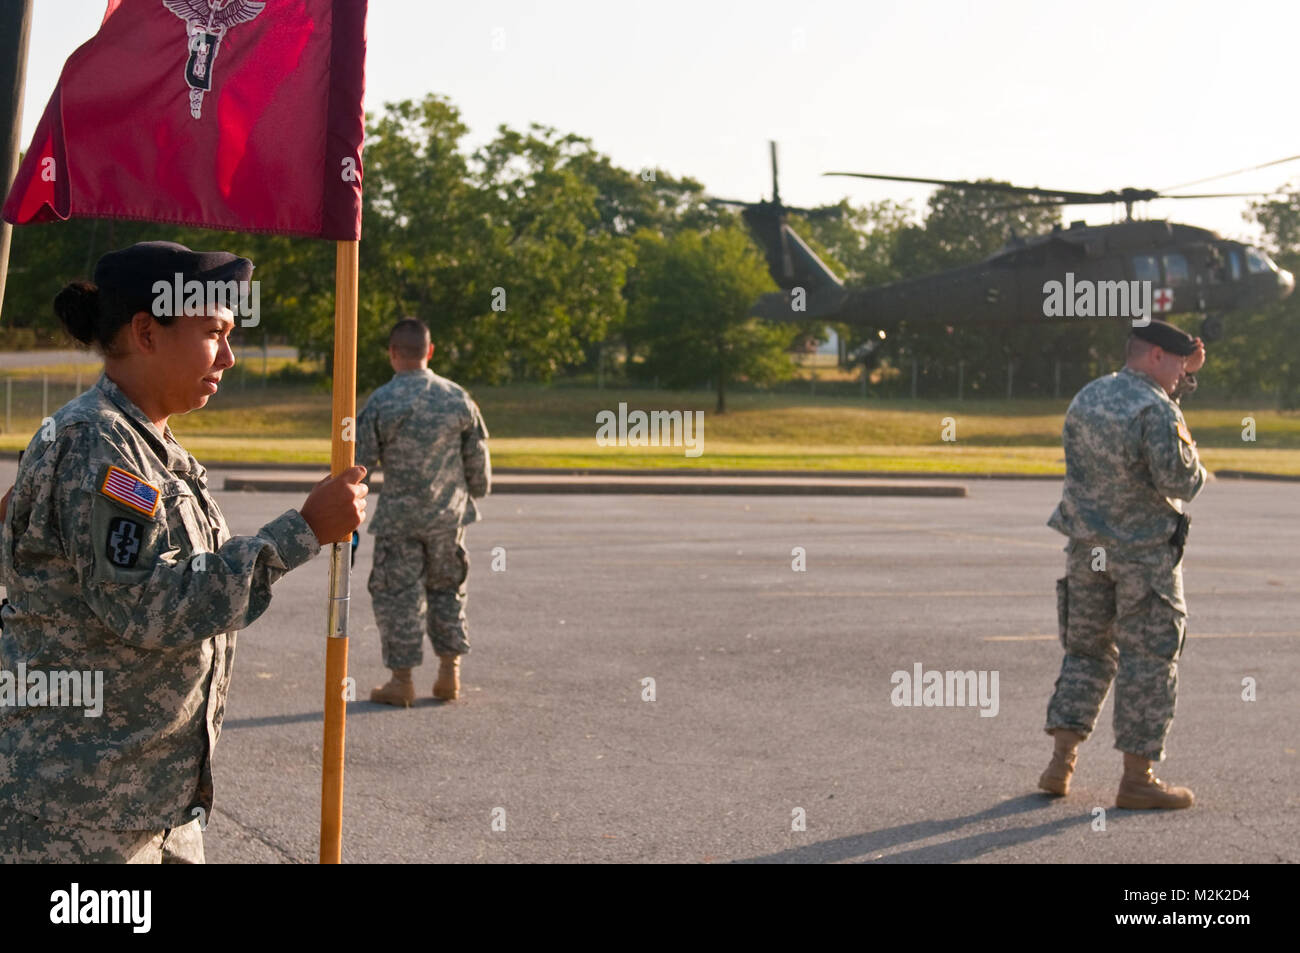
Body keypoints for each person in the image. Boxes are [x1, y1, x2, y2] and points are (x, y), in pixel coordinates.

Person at [0, 241, 367, 863]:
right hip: (83, 814)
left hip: (148, 800)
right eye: (213, 332)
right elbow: (145, 604)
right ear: (147, 330)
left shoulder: (147, 445)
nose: (228, 354)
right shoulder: (99, 441)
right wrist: (301, 531)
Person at [1039, 319, 1208, 810]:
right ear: (1156, 355)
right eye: (1178, 364)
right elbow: (1180, 480)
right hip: (1142, 557)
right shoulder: (1157, 408)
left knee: (1086, 652)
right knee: (1148, 659)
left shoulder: (1088, 397)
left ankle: (1060, 763)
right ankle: (1139, 778)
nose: (1181, 374)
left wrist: (1182, 384)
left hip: (1086, 550)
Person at [356, 318, 490, 706]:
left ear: (392, 353)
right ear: (430, 351)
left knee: (398, 595)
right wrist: (474, 493)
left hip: (399, 519)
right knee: (448, 589)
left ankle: (402, 681)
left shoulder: (382, 400)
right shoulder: (457, 397)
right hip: (448, 518)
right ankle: (449, 674)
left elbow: (360, 463)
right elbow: (477, 463)